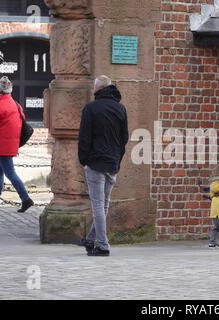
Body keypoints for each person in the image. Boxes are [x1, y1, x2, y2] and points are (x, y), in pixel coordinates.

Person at [78, 75, 129, 257]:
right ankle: (91, 239)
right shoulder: (120, 108)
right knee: (104, 204)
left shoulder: (91, 108)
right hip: (112, 162)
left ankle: (103, 244)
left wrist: (84, 160)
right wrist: (117, 159)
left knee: (98, 204)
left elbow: (84, 138)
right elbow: (124, 138)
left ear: (97, 89)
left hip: (95, 162)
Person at [0, 76, 34, 213]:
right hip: (12, 144)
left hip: (2, 145)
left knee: (10, 174)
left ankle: (26, 199)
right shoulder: (15, 104)